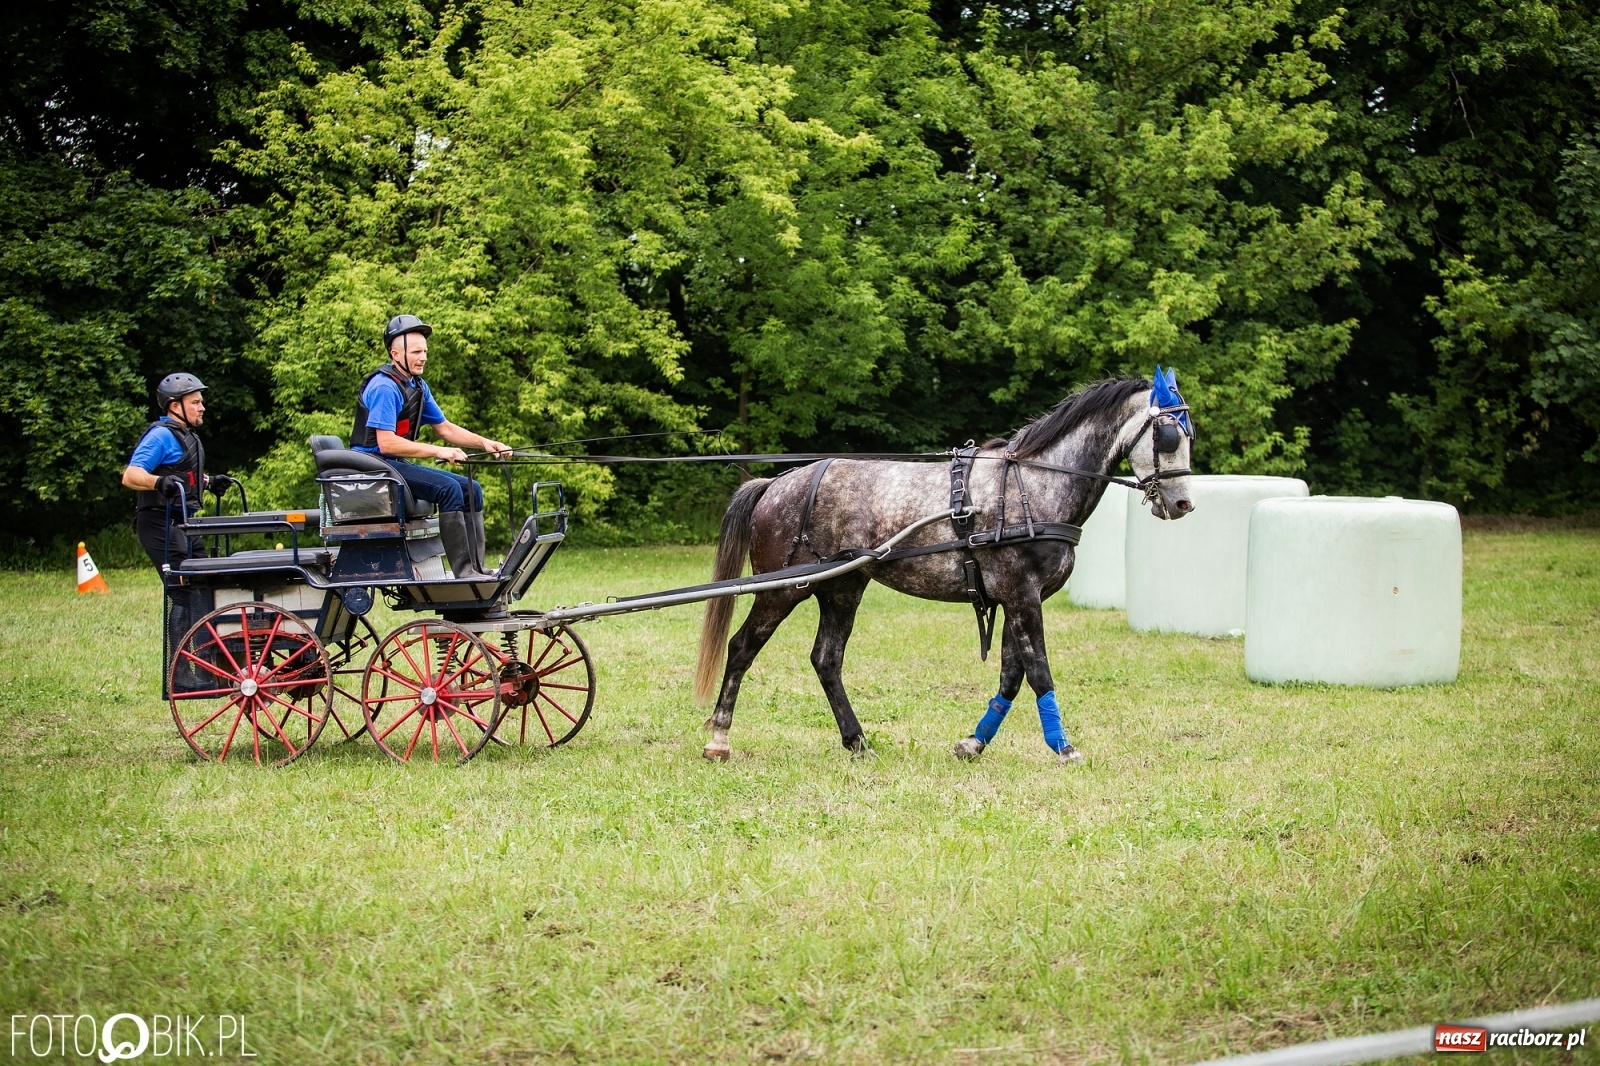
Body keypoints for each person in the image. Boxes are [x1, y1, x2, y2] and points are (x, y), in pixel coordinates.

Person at [351, 314, 512, 579]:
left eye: (425, 351)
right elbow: (386, 442)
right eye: (416, 351)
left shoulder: (417, 387)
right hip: (374, 468)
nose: (423, 357)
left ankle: (478, 569)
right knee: (449, 490)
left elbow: (445, 428)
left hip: (394, 465)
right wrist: (438, 451)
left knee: (472, 489)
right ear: (395, 353)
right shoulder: (384, 387)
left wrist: (485, 442)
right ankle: (464, 574)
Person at [121, 373, 237, 688]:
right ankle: (182, 675)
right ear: (175, 405)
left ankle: (207, 666)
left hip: (182, 523)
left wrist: (209, 482)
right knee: (184, 593)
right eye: (195, 402)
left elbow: (179, 475)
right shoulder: (162, 435)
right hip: (159, 522)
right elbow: (131, 475)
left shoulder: (186, 436)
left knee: (204, 587)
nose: (202, 407)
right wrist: (158, 482)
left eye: (201, 401)